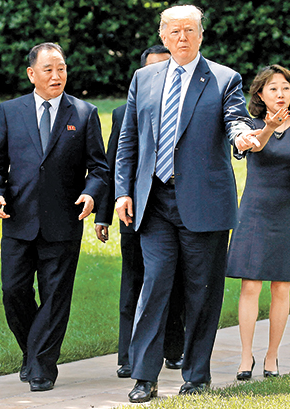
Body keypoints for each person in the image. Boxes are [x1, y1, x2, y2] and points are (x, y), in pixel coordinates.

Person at [114, 4, 260, 403]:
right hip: (154, 202)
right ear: (163, 36)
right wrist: (123, 191)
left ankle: (196, 375)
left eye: (190, 30)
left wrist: (242, 136)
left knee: (202, 293)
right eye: (175, 31)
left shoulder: (224, 78)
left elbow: (235, 119)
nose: (182, 37)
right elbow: (129, 139)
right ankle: (144, 377)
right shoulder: (143, 78)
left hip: (204, 203)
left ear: (201, 35)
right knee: (153, 288)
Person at [0, 42, 108, 392]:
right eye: (48, 69)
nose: (56, 76)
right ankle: (33, 352)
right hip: (18, 219)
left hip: (63, 221)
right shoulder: (10, 111)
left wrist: (91, 193)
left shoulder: (84, 113)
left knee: (55, 298)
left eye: (61, 68)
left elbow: (99, 168)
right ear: (31, 74)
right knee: (13, 292)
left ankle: (41, 367)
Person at [94, 45, 186, 379]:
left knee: (174, 280)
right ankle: (129, 356)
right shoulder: (124, 113)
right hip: (134, 211)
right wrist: (103, 214)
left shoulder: (184, 108)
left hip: (175, 208)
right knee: (133, 283)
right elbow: (114, 164)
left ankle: (174, 349)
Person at [226, 65, 290, 380]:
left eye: (285, 88)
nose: (281, 94)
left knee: (281, 286)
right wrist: (268, 127)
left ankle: (271, 356)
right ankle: (245, 357)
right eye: (273, 88)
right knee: (250, 285)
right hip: (254, 212)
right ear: (260, 94)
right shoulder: (249, 125)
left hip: (288, 213)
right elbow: (252, 147)